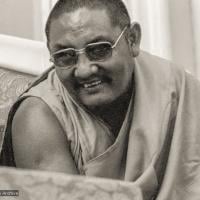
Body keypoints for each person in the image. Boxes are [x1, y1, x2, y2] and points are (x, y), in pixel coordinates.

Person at [1, 0, 200, 199]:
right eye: (65, 56)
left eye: (98, 50)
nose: (84, 70)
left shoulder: (174, 87)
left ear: (132, 39)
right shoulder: (39, 117)